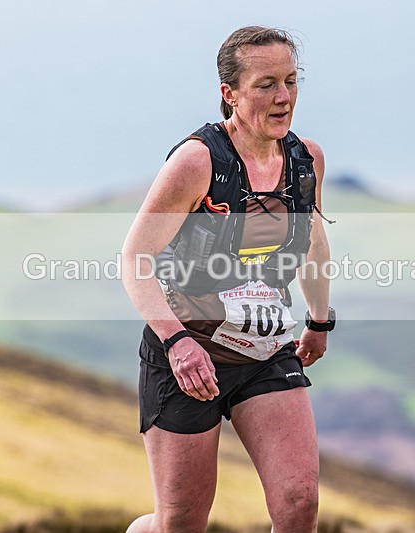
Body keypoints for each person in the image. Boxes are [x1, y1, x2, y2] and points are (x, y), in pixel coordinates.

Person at [122, 25, 334, 533]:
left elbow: (312, 242)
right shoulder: (198, 163)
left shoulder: (306, 159)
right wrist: (176, 343)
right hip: (189, 357)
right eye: (265, 85)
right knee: (181, 522)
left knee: (299, 503)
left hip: (264, 352)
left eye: (290, 81)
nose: (283, 97)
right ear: (230, 95)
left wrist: (319, 321)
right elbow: (135, 259)